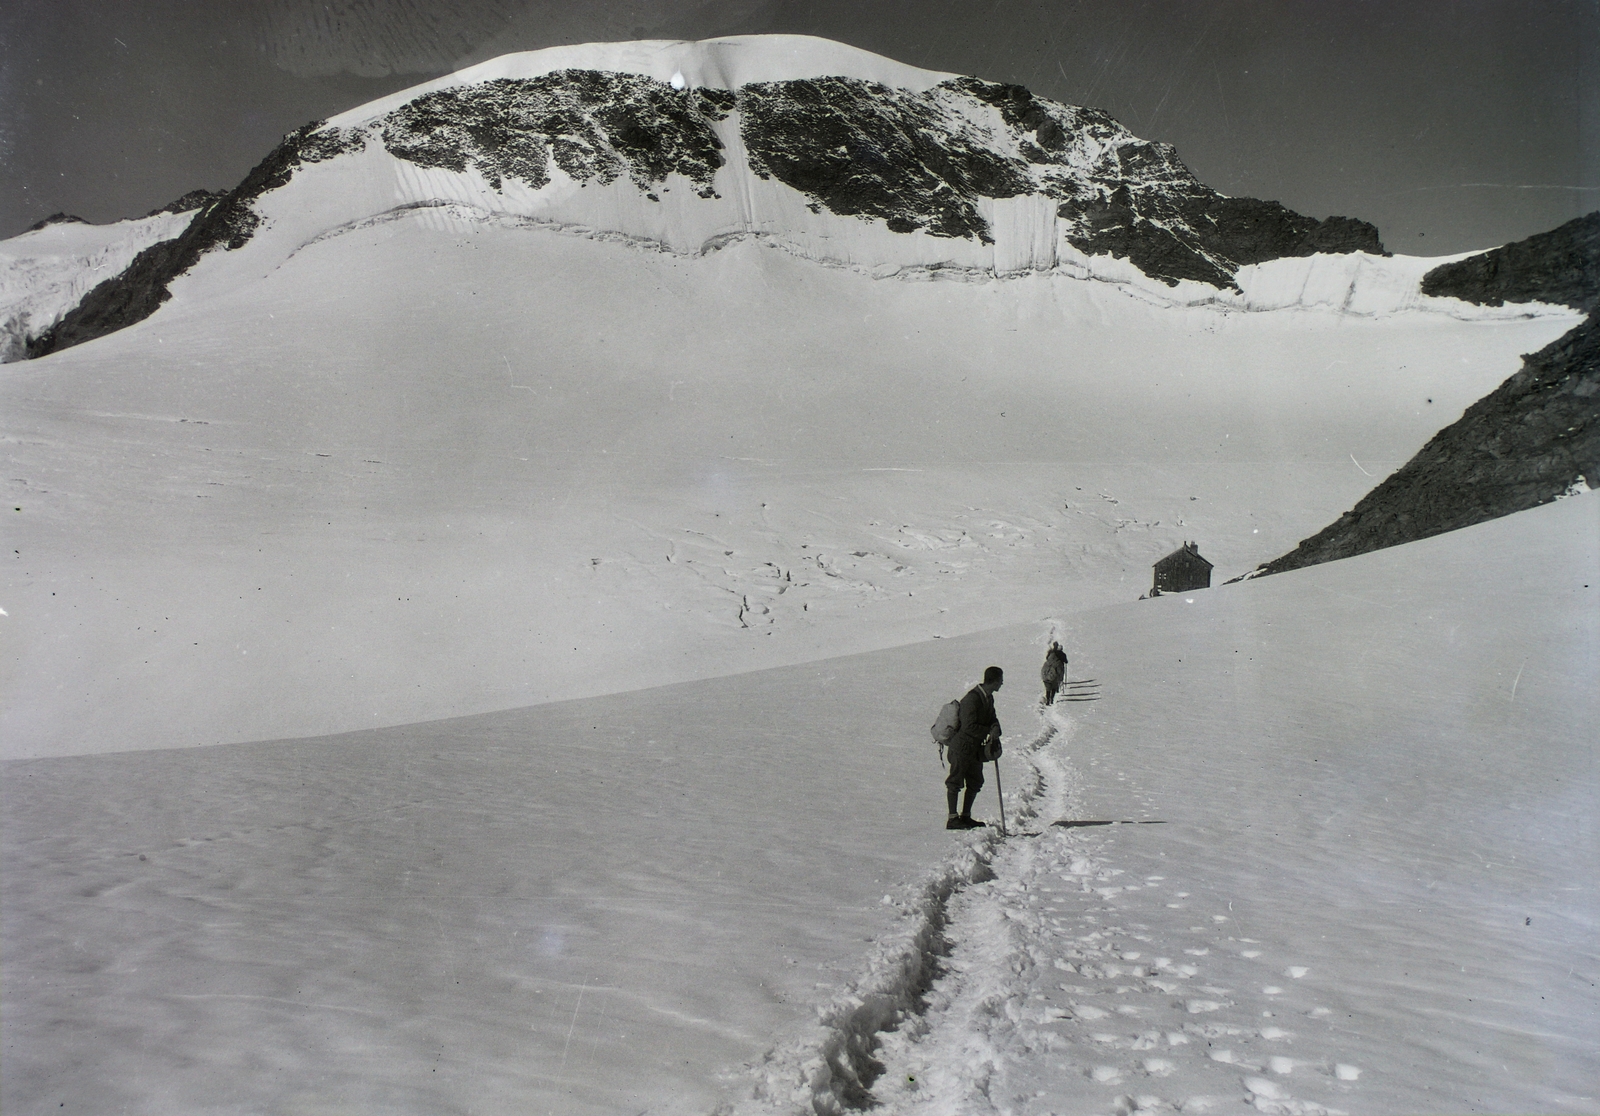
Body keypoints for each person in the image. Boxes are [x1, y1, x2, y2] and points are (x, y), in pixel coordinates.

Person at [945, 666, 1003, 829]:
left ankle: (965, 816)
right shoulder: (972, 699)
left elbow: (992, 717)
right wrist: (989, 730)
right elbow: (969, 727)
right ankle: (952, 818)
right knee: (955, 781)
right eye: (1001, 680)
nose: (1002, 683)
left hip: (974, 749)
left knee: (975, 781)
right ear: (995, 680)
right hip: (962, 747)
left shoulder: (988, 697)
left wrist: (996, 727)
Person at [1040, 641, 1068, 705]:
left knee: (1048, 688)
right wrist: (1060, 679)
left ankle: (1047, 700)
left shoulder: (1047, 661)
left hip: (1045, 675)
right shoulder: (1058, 662)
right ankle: (1051, 699)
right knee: (1053, 688)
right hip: (1054, 677)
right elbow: (1060, 671)